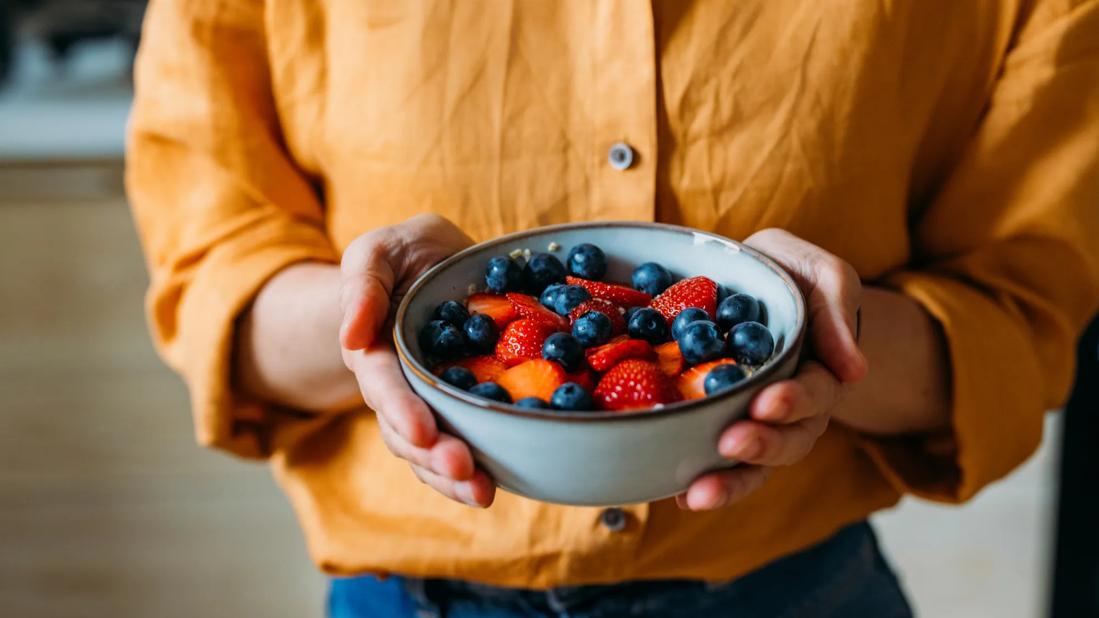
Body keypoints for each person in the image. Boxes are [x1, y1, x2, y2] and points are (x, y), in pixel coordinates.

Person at [125, 1, 1099, 616]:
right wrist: (372, 322)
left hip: (798, 592)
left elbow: (1015, 322)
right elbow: (215, 287)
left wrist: (814, 344)